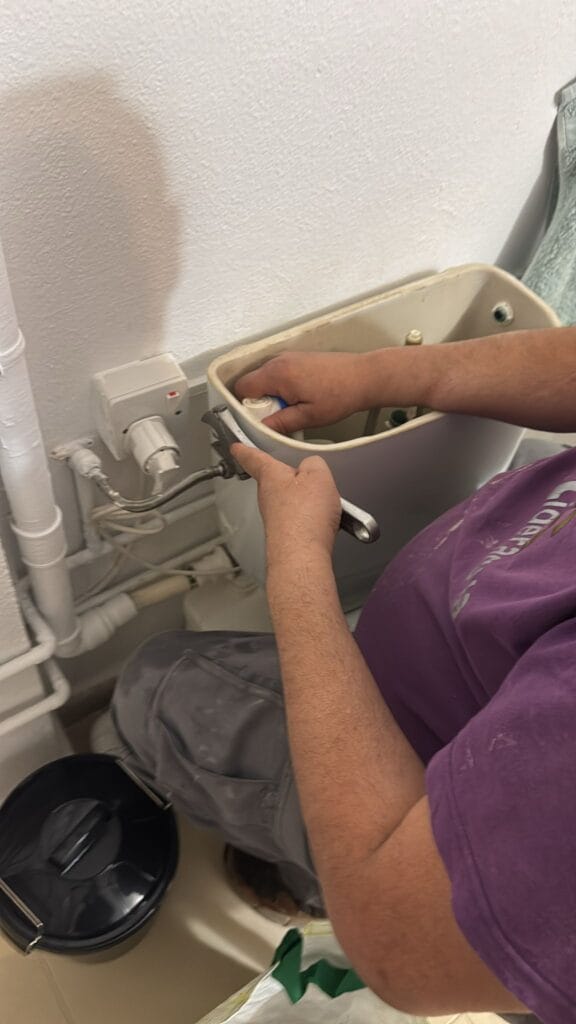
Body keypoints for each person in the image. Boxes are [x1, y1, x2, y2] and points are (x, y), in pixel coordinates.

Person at [112, 326, 576, 1023]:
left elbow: (404, 944)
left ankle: (311, 882)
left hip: (417, 801)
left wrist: (298, 567)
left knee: (155, 688)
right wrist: (382, 375)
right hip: (451, 634)